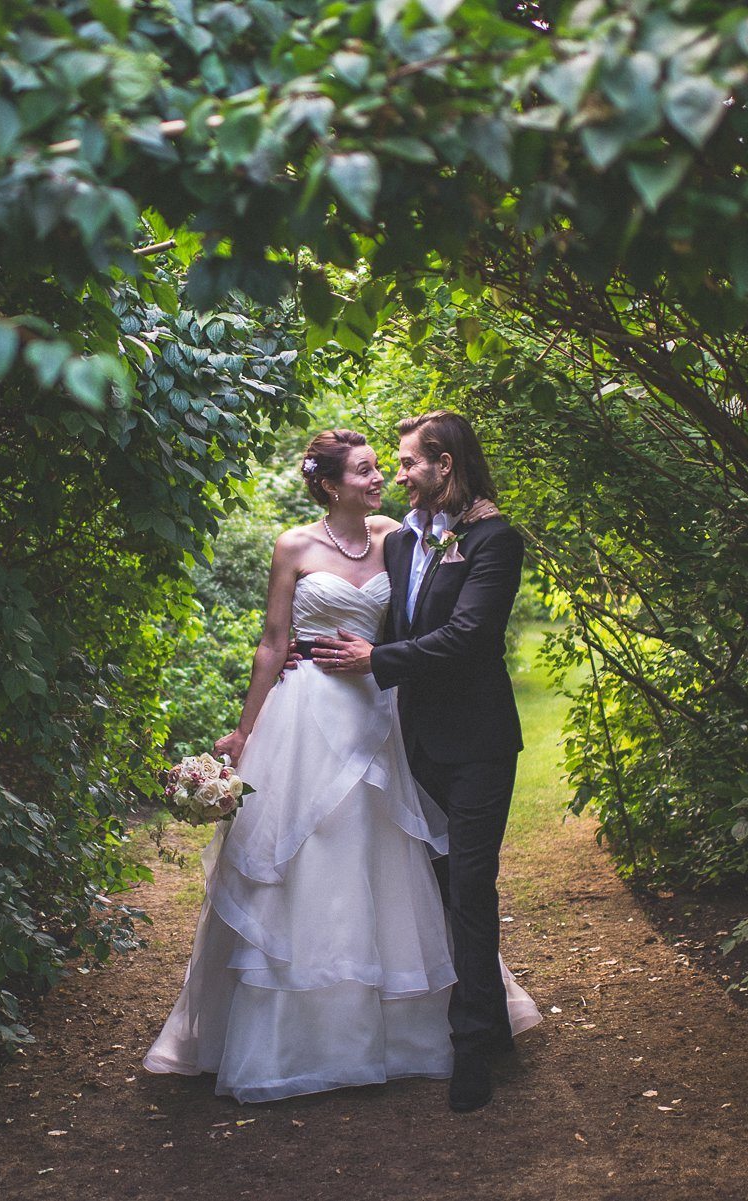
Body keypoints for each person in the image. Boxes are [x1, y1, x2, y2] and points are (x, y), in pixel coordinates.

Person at [142, 427, 538, 1107]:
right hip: (308, 717)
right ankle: (303, 1035)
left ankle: (435, 1028)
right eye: (367, 469)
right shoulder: (295, 545)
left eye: (391, 465)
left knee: (399, 862)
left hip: (381, 714)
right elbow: (273, 642)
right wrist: (245, 726)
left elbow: (424, 616)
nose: (383, 477)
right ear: (328, 483)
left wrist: (376, 659)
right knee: (311, 862)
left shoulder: (403, 535)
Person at [312, 409, 529, 1112]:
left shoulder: (496, 540)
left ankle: (469, 1051)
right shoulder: (404, 543)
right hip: (414, 745)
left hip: (477, 745)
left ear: (446, 462)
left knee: (469, 887)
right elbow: (382, 618)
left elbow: (468, 636)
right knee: (437, 888)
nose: (399, 475)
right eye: (397, 463)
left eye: (408, 462)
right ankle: (493, 1023)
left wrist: (379, 661)